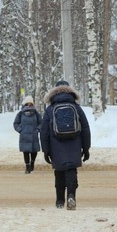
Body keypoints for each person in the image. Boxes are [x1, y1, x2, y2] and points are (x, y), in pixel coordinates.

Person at [40, 80, 91, 210]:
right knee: (71, 170)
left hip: (56, 146)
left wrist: (46, 150)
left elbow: (44, 132)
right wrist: (86, 148)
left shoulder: (50, 109)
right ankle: (71, 196)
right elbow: (85, 128)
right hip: (74, 145)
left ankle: (59, 201)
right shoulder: (76, 107)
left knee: (59, 172)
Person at [13, 95, 42, 174]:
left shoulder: (36, 113)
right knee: (25, 151)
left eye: (30, 104)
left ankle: (32, 162)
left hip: (33, 135)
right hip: (24, 136)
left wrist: (37, 129)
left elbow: (41, 123)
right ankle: (27, 166)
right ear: (24, 104)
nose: (29, 105)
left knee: (34, 151)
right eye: (27, 104)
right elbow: (16, 123)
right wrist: (20, 130)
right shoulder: (20, 113)